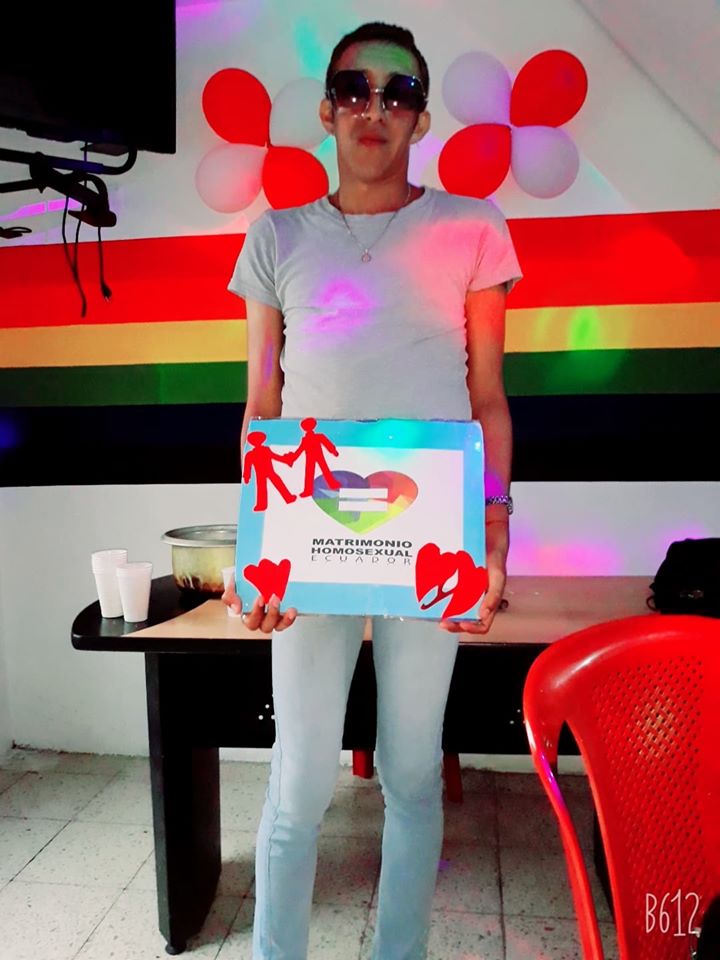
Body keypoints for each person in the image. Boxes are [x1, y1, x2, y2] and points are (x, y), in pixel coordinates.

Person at [224, 21, 522, 960]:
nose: (374, 108)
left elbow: (486, 398)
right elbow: (262, 402)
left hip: (430, 541)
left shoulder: (473, 227)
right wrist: (254, 550)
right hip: (304, 536)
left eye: (398, 94)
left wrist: (493, 539)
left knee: (411, 771)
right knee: (299, 781)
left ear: (421, 119)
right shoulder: (276, 236)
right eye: (355, 89)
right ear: (327, 109)